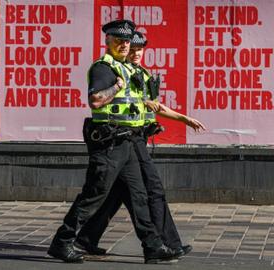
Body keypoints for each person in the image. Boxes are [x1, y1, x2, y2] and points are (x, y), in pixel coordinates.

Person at [47, 20, 177, 264]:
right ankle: (62, 242)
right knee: (94, 194)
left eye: (127, 41)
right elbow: (96, 100)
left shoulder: (126, 68)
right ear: (107, 41)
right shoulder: (104, 68)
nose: (124, 45)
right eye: (118, 41)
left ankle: (153, 246)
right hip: (108, 142)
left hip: (127, 141)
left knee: (138, 196)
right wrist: (117, 86)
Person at [75, 31, 205, 257]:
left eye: (139, 49)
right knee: (150, 191)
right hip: (123, 139)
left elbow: (152, 106)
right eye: (131, 49)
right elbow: (112, 99)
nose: (135, 53)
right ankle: (165, 243)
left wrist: (181, 119)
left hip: (135, 138)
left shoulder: (140, 73)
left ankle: (86, 238)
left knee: (117, 194)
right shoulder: (115, 70)